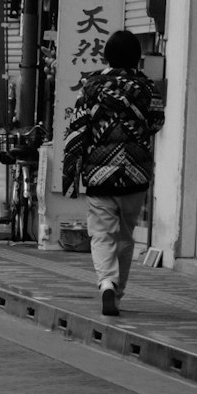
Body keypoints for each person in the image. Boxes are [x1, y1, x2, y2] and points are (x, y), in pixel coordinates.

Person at [61, 30, 164, 318]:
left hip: (100, 175)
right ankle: (117, 294)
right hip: (135, 175)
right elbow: (156, 123)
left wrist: (71, 173)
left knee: (102, 235)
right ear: (137, 58)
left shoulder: (91, 88)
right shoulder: (147, 89)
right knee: (126, 236)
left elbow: (77, 130)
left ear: (106, 56)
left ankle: (107, 283)